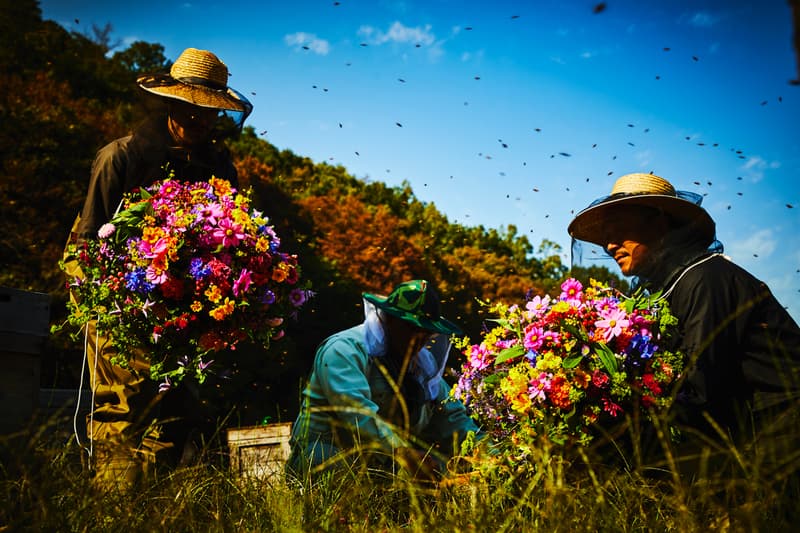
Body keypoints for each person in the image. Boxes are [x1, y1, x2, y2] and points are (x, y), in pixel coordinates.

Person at [63, 47, 253, 488]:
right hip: (115, 290)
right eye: (192, 110)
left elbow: (232, 235)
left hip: (182, 298)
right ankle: (113, 509)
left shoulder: (218, 165)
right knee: (126, 402)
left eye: (210, 112)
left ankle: (153, 508)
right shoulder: (121, 157)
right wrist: (110, 304)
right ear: (171, 103)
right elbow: (89, 242)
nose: (201, 121)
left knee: (179, 405)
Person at [568, 173, 800, 479]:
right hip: (748, 436)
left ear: (659, 223)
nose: (610, 246)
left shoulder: (705, 278)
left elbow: (702, 391)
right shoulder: (666, 289)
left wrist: (621, 427)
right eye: (604, 238)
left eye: (619, 230)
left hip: (784, 436)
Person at [288, 279, 480, 481]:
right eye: (410, 328)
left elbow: (454, 419)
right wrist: (405, 453)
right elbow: (356, 414)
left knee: (443, 469)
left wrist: (493, 453)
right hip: (326, 462)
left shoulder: (422, 369)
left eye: (425, 332)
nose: (418, 338)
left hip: (381, 467)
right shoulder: (344, 351)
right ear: (389, 319)